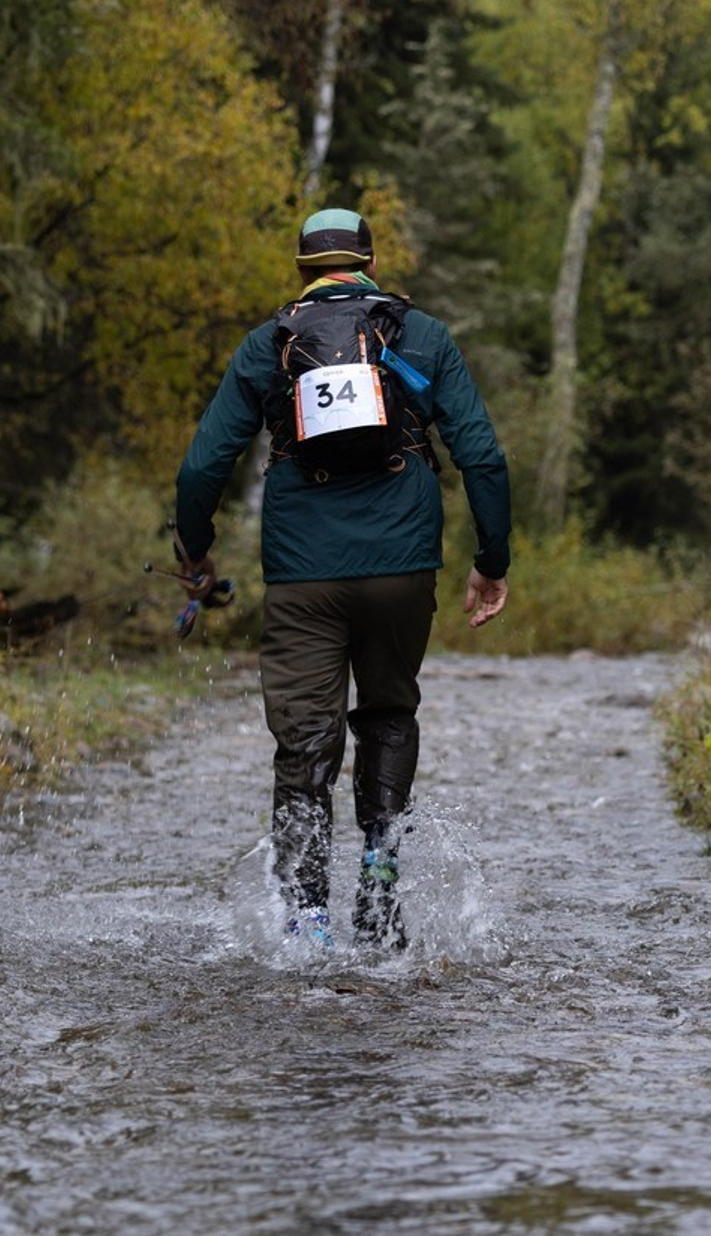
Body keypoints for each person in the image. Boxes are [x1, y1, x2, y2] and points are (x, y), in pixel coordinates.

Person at [173, 207, 510, 952]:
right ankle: (380, 888)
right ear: (371, 262)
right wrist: (492, 561)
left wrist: (196, 555)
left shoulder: (269, 344)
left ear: (304, 271)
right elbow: (481, 455)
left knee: (305, 743)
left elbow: (203, 465)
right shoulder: (421, 336)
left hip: (301, 572)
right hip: (402, 563)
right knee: (389, 713)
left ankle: (305, 926)